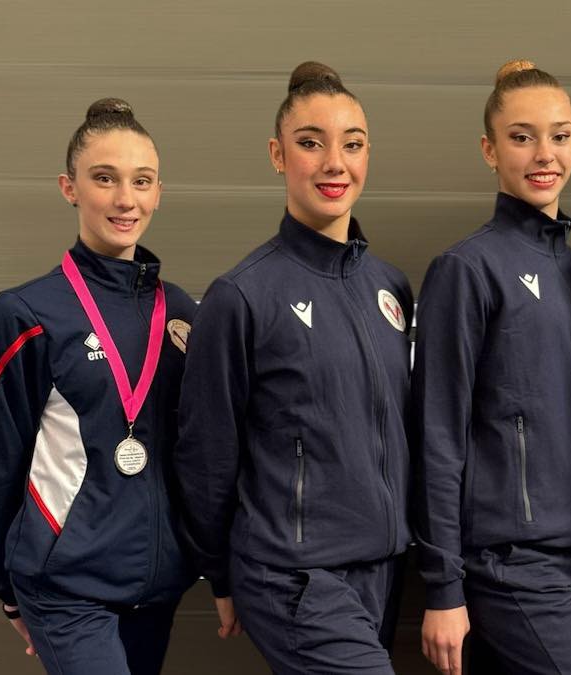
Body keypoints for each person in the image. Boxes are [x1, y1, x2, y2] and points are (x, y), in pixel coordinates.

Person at [173, 61, 414, 674]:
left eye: (352, 145)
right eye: (311, 143)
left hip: (382, 570)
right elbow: (206, 452)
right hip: (294, 577)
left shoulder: (390, 287)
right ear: (278, 155)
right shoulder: (242, 296)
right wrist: (218, 572)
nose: (335, 163)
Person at [412, 59, 571, 675]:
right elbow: (438, 435)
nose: (544, 154)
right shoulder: (466, 269)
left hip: (564, 566)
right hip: (503, 567)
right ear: (489, 148)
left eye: (559, 136)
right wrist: (443, 586)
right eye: (521, 136)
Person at [0, 98, 196, 675]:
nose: (126, 199)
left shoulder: (182, 312)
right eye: (105, 178)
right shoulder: (27, 313)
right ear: (69, 187)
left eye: (141, 181)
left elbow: (200, 449)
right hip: (64, 584)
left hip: (156, 584)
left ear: (158, 191)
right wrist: (5, 584)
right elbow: (2, 460)